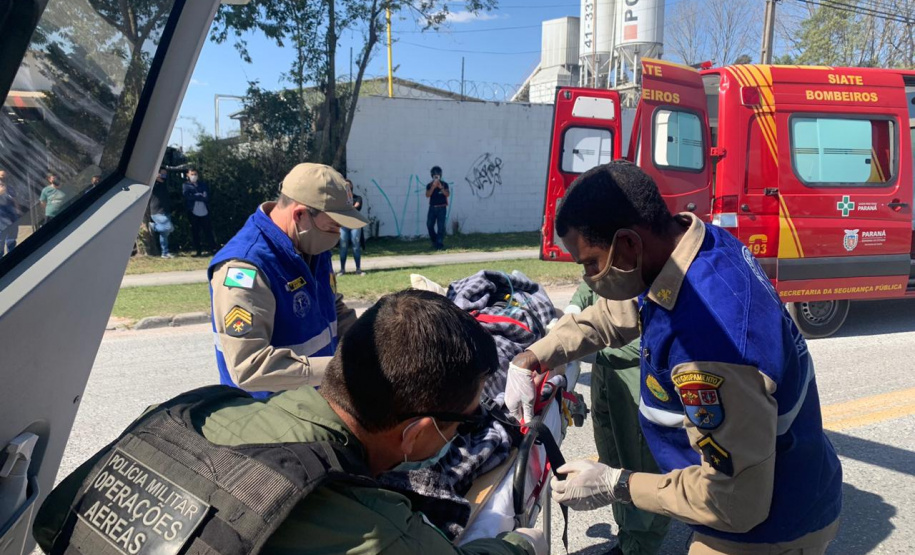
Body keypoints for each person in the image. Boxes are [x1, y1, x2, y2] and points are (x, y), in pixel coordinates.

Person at [32, 290, 546, 555]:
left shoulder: (191, 410)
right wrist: (521, 541)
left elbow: (54, 515)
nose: (468, 429)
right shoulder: (377, 529)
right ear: (417, 432)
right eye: (466, 420)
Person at [505, 161, 842, 554]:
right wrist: (532, 357)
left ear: (629, 245)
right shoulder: (690, 247)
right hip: (774, 481)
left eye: (591, 263)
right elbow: (618, 314)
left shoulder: (711, 348)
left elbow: (735, 502)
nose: (589, 279)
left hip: (771, 527)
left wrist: (617, 485)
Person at [208, 163, 365, 398]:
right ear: (300, 214)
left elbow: (331, 308)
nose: (337, 234)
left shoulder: (312, 244)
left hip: (311, 401)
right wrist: (341, 369)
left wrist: (373, 342)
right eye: (333, 225)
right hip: (268, 416)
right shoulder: (245, 269)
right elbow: (249, 367)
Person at [567, 282, 670, 555]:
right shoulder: (608, 253)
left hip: (637, 374)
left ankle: (641, 546)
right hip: (606, 374)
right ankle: (627, 540)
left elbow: (657, 338)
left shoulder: (654, 255)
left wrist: (586, 348)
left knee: (638, 463)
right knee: (611, 462)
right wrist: (574, 306)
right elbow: (595, 285)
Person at [183, 167, 216, 256]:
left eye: (195, 174)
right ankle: (198, 250)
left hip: (204, 211)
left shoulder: (202, 184)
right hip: (193, 211)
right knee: (195, 232)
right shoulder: (186, 185)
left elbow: (206, 197)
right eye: (192, 174)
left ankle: (213, 248)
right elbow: (187, 196)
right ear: (188, 175)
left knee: (208, 230)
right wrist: (198, 195)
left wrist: (196, 196)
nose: (194, 176)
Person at [338, 178, 364, 275]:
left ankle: (358, 269)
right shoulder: (340, 200)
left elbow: (355, 207)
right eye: (345, 185)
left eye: (349, 185)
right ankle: (342, 270)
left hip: (355, 224)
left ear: (352, 186)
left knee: (356, 245)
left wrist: (348, 206)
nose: (347, 187)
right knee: (343, 246)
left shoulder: (358, 198)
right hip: (344, 225)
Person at [148, 168, 175, 258]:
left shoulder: (165, 183)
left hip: (166, 210)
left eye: (165, 174)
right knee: (169, 227)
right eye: (162, 174)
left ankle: (164, 253)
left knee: (165, 233)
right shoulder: (153, 184)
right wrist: (155, 178)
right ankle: (152, 226)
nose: (164, 176)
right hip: (157, 211)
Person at [426, 165, 450, 250]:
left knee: (441, 227)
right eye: (434, 175)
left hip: (442, 208)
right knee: (429, 225)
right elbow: (427, 195)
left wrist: (440, 187)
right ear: (432, 175)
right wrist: (433, 187)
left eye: (438, 175)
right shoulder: (429, 185)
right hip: (432, 208)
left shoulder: (444, 184)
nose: (436, 177)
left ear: (440, 175)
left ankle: (439, 244)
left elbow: (447, 194)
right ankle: (434, 240)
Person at [0, 169, 20, 255]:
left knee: (11, 241)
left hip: (12, 218)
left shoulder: (10, 188)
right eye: (1, 175)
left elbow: (15, 200)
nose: (3, 177)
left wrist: (17, 210)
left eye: (4, 175)